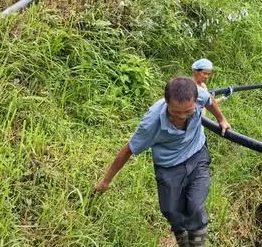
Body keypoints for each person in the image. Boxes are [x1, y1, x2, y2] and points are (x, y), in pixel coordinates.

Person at [94, 77, 231, 247]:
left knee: (195, 207)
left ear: (195, 101)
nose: (182, 116)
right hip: (169, 166)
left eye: (188, 111)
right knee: (170, 210)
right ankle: (182, 237)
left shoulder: (199, 95)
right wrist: (105, 182)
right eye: (175, 112)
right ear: (166, 103)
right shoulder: (151, 123)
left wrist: (221, 119)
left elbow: (210, 100)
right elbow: (127, 150)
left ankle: (197, 244)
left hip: (197, 155)